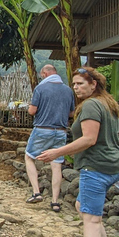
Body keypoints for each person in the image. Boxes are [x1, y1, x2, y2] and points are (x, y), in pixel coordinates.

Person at [37, 66, 119, 237]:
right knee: (82, 207)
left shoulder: (91, 106)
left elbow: (88, 139)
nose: (76, 88)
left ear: (93, 84)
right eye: (74, 84)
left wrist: (57, 152)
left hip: (96, 168)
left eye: (80, 84)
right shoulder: (106, 103)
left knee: (91, 220)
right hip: (113, 165)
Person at [24, 64, 75, 212]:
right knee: (56, 164)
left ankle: (36, 192)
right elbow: (71, 113)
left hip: (42, 129)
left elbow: (32, 111)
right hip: (61, 131)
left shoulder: (40, 88)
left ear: (45, 74)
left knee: (29, 157)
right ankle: (55, 202)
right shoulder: (68, 90)